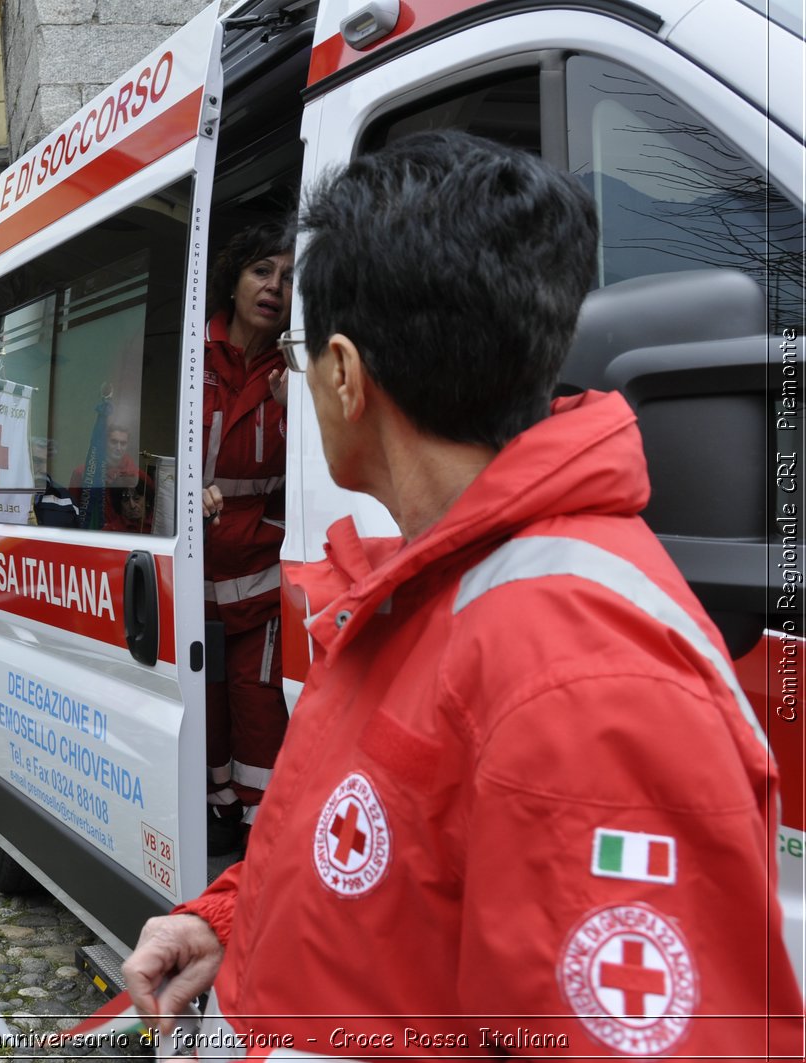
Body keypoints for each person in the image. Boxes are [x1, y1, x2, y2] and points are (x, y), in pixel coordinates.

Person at [122, 131, 804, 1058]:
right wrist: (235, 919)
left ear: (345, 375)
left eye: (299, 357)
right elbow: (388, 848)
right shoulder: (434, 586)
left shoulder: (583, 686)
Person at [198, 220, 296, 855]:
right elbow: (132, 450)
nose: (274, 287)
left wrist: (300, 409)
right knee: (206, 706)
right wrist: (178, 491)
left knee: (259, 704)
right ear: (232, 282)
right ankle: (219, 807)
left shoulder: (298, 365)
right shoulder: (188, 354)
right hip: (190, 563)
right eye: (261, 271)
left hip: (261, 568)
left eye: (287, 278)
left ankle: (264, 825)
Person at [71, 423, 149, 531]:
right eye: (114, 442)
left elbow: (153, 511)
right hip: (91, 533)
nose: (118, 447)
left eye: (123, 443)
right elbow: (72, 509)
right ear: (104, 443)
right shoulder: (83, 473)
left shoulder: (138, 475)